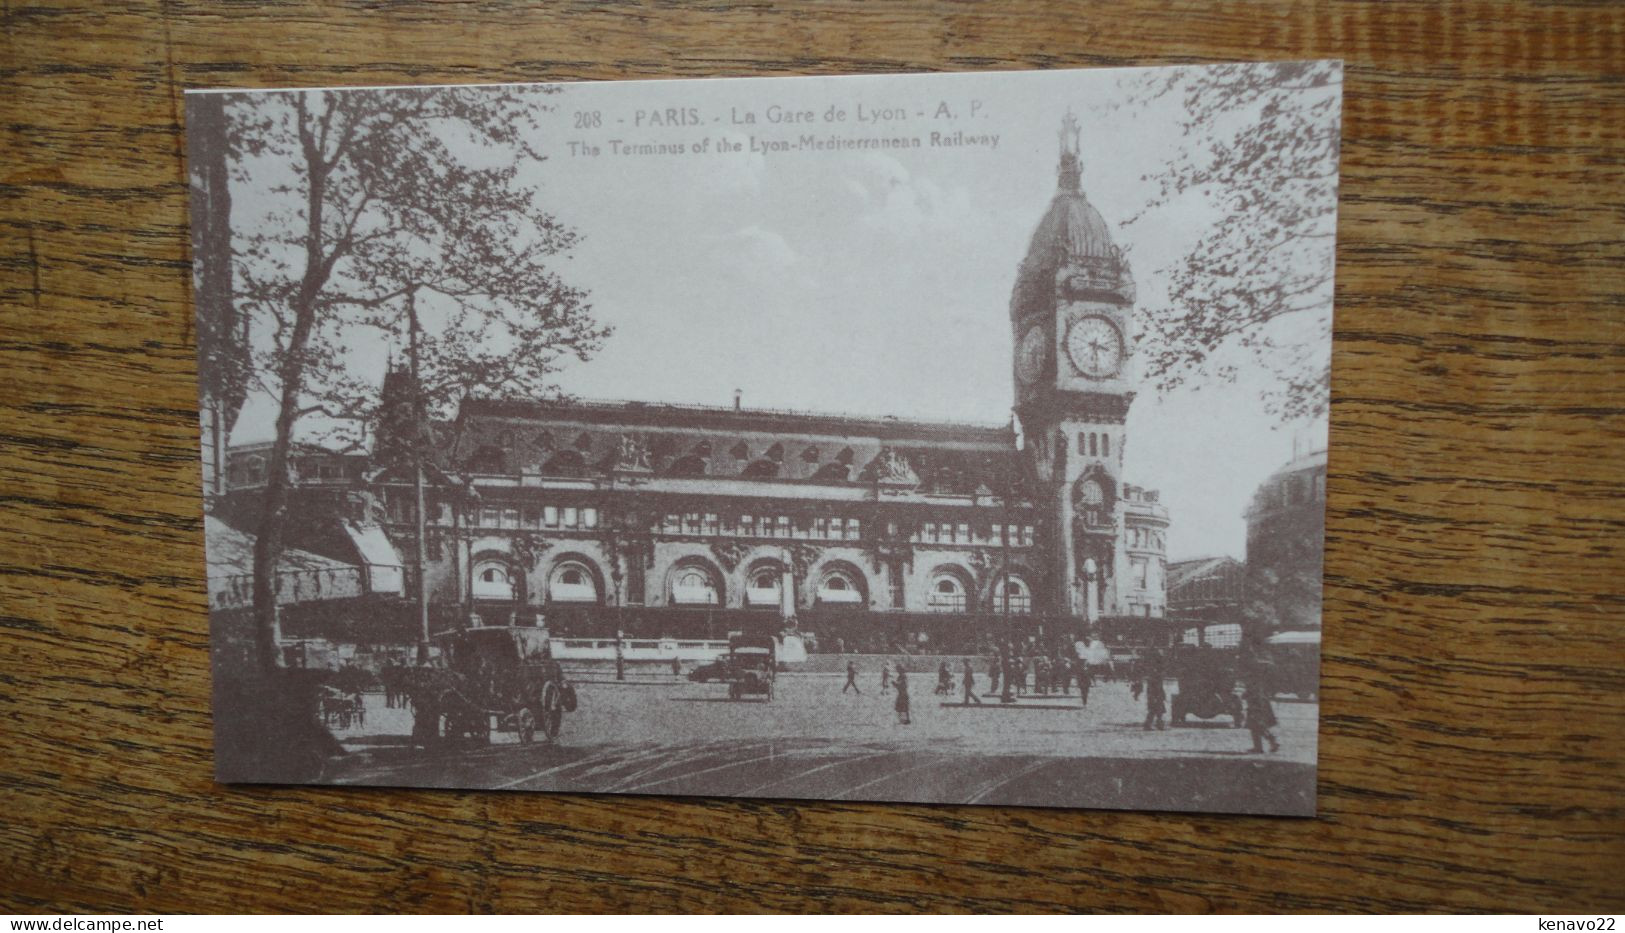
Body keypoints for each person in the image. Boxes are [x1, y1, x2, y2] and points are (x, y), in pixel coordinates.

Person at [1245, 682, 1280, 753]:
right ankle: (1268, 743)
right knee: (1256, 727)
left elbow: (1256, 695)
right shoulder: (1254, 684)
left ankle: (1267, 743)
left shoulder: (1255, 683)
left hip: (1257, 706)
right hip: (1257, 704)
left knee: (1257, 727)